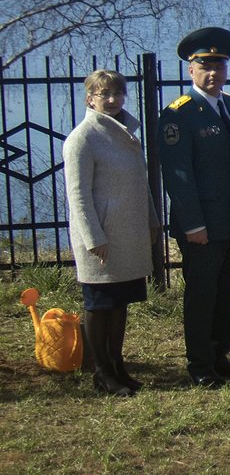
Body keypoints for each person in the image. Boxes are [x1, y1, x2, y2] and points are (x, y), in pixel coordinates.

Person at [158, 27, 230, 387]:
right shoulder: (178, 114)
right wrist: (193, 222)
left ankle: (219, 355)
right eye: (204, 66)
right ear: (190, 70)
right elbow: (178, 174)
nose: (213, 73)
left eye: (219, 66)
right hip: (200, 224)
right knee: (201, 292)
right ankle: (199, 364)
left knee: (225, 290)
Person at [64, 69, 159, 395]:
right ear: (90, 98)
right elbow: (78, 196)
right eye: (104, 94)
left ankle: (118, 365)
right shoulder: (83, 138)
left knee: (120, 304)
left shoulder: (125, 134)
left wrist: (151, 220)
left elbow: (140, 182)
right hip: (103, 239)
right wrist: (94, 239)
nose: (113, 99)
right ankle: (101, 372)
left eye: (117, 93)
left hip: (127, 235)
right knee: (99, 304)